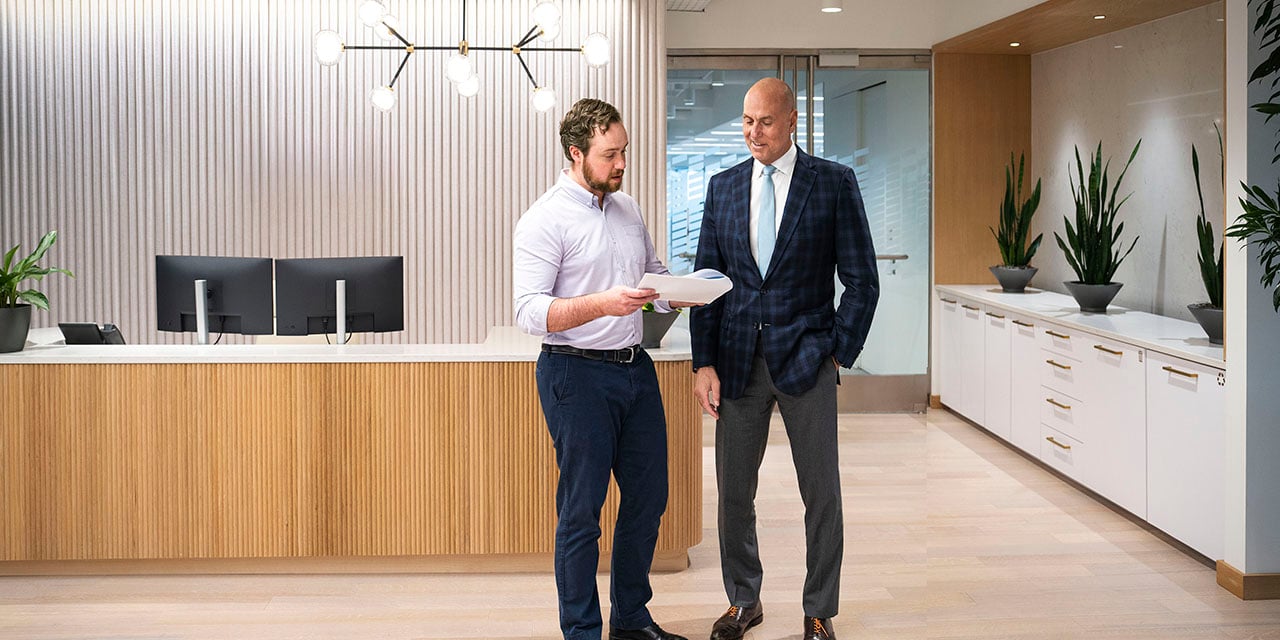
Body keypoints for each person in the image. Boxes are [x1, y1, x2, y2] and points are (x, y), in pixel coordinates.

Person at [689, 78, 879, 640]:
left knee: (821, 493)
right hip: (737, 363)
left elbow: (862, 281)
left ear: (792, 120)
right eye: (746, 122)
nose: (753, 133)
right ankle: (743, 600)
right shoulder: (722, 187)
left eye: (765, 122)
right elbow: (707, 282)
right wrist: (704, 362)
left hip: (807, 359)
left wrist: (838, 351)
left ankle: (819, 608)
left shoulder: (833, 184)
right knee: (733, 495)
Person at [514, 97, 690, 640]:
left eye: (624, 152)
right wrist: (601, 303)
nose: (620, 164)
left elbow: (652, 275)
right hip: (575, 374)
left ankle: (631, 621)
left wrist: (680, 294)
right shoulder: (544, 219)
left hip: (635, 371)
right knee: (582, 513)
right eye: (609, 154)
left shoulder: (628, 208)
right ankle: (583, 632)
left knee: (648, 498)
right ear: (575, 153)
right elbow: (529, 310)